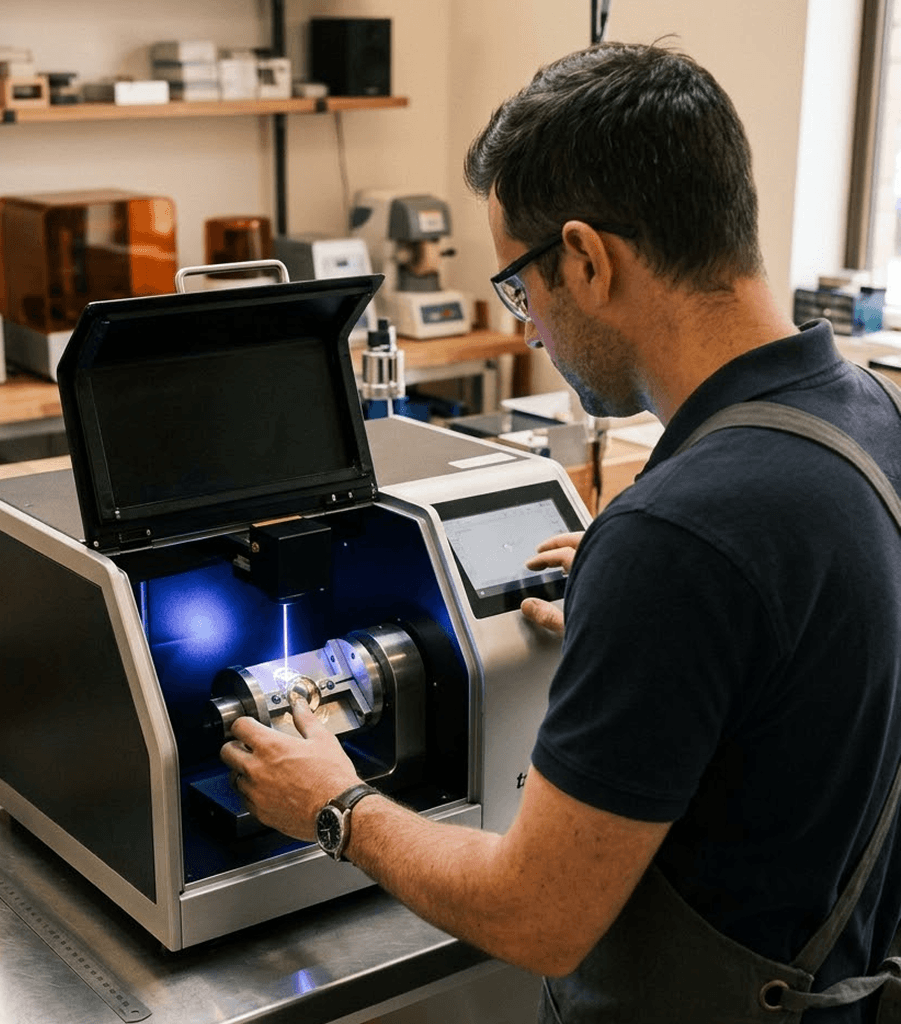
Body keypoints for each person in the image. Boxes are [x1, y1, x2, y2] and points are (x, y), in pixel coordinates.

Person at [221, 42, 901, 1022]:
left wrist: (333, 803)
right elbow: (801, 649)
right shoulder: (865, 416)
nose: (530, 324)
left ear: (584, 258)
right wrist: (648, 605)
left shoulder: (680, 536)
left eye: (518, 285)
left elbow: (536, 915)